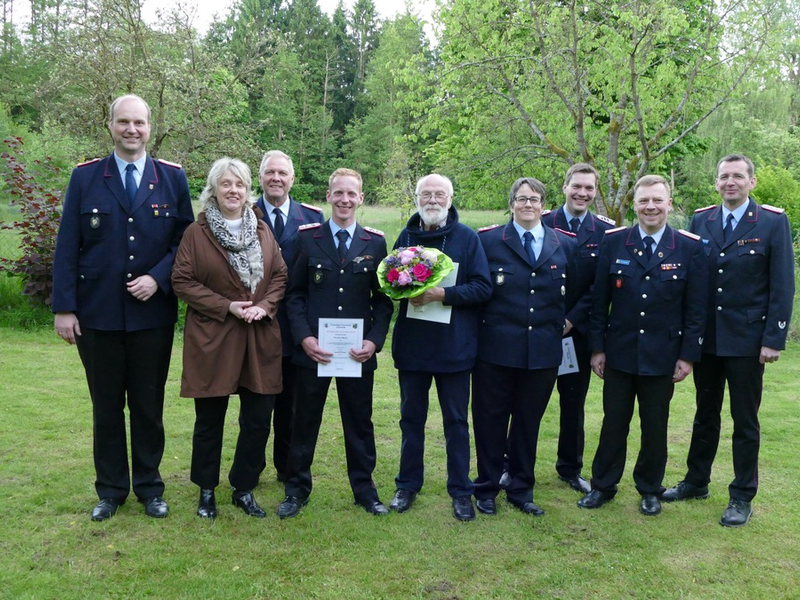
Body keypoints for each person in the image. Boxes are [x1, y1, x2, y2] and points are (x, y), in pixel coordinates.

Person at [52, 94, 194, 521]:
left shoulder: (172, 178)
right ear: (110, 125)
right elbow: (67, 245)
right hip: (98, 315)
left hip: (152, 316)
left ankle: (150, 488)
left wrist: (159, 278)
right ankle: (111, 490)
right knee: (106, 406)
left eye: (139, 123)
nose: (132, 130)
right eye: (123, 122)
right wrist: (64, 308)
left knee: (149, 406)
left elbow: (185, 243)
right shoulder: (86, 177)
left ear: (150, 127)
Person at [662, 154, 795, 527]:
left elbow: (782, 284)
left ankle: (741, 495)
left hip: (747, 341)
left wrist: (774, 338)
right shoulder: (702, 220)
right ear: (716, 182)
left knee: (744, 419)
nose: (730, 182)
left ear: (752, 182)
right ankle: (696, 481)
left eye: (738, 176)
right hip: (707, 340)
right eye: (724, 176)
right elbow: (691, 281)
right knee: (705, 414)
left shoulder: (772, 222)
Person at [578, 175, 707, 516]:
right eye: (644, 200)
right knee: (613, 423)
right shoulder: (614, 242)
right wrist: (597, 348)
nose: (651, 207)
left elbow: (696, 309)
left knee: (655, 426)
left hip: (662, 355)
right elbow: (599, 302)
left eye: (657, 200)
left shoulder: (689, 247)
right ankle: (603, 486)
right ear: (634, 204)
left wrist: (687, 356)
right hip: (618, 353)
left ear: (669, 204)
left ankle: (650, 489)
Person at [172, 158, 288, 519]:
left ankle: (244, 487)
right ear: (214, 189)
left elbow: (280, 276)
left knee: (258, 419)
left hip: (258, 338)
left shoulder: (263, 230)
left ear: (247, 190)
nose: (233, 191)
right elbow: (182, 281)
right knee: (210, 420)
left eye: (239, 184)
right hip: (214, 337)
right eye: (226, 184)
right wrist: (227, 306)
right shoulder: (197, 233)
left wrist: (264, 306)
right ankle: (206, 490)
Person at [277, 168, 394, 519]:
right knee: (303, 421)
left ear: (361, 198)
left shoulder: (375, 243)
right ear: (328, 196)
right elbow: (294, 295)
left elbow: (383, 301)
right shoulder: (307, 239)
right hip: (315, 352)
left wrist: (374, 341)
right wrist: (304, 337)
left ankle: (365, 490)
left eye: (351, 194)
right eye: (338, 193)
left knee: (359, 423)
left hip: (357, 354)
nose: (345, 200)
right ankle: (296, 490)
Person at [388, 174, 492, 521]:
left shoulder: (467, 238)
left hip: (454, 348)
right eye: (426, 194)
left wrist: (442, 294)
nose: (432, 200)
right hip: (413, 347)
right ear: (416, 197)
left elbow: (483, 288)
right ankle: (407, 485)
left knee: (456, 422)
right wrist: (401, 290)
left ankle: (461, 491)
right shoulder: (405, 238)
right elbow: (390, 285)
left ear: (450, 198)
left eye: (439, 194)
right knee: (410, 420)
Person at [473, 177, 577, 517]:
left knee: (527, 423)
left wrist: (570, 320)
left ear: (544, 205)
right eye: (521, 199)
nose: (528, 204)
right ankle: (486, 488)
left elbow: (583, 291)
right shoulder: (488, 241)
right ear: (511, 204)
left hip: (543, 352)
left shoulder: (564, 244)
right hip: (496, 350)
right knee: (490, 421)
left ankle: (521, 489)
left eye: (534, 199)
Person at [541, 163, 615, 494]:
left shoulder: (605, 232)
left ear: (595, 192)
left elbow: (601, 287)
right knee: (528, 402)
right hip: (540, 330)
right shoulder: (542, 222)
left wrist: (570, 320)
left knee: (573, 405)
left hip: (577, 334)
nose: (582, 193)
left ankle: (570, 468)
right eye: (577, 186)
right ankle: (513, 464)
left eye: (589, 188)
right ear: (565, 186)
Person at [254, 150, 323, 483]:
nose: (276, 178)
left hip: (296, 326)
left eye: (282, 173)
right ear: (260, 177)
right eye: (270, 172)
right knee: (256, 404)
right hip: (255, 325)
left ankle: (286, 468)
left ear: (292, 179)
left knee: (292, 405)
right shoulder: (244, 213)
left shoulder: (312, 217)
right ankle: (250, 469)